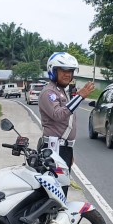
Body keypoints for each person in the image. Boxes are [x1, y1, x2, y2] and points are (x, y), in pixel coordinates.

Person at [38, 52, 95, 195]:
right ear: (53, 70)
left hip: (62, 149)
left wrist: (69, 151)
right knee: (53, 193)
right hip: (53, 150)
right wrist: (80, 96)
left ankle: (53, 217)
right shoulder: (49, 92)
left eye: (70, 71)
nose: (67, 74)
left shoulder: (61, 91)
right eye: (63, 70)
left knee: (61, 191)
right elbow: (58, 115)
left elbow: (66, 124)